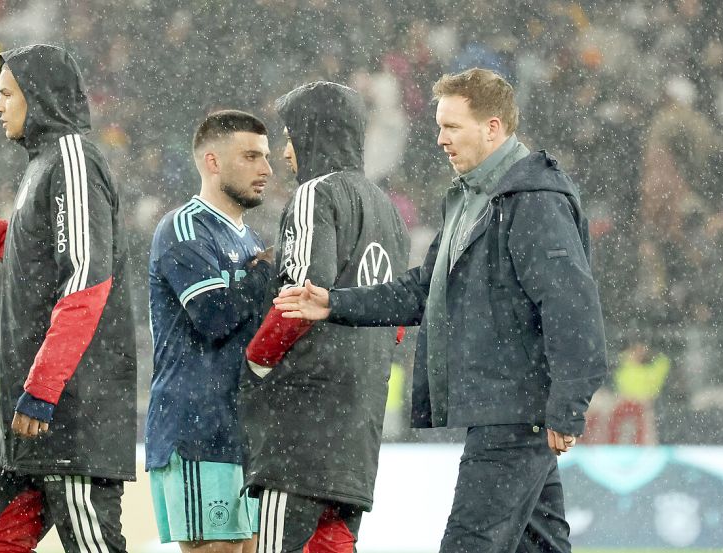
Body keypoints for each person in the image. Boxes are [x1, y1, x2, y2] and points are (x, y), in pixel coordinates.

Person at [273, 68, 608, 553]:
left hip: (514, 411)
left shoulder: (531, 200)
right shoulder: (471, 199)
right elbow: (422, 291)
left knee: (468, 545)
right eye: (438, 125)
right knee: (540, 544)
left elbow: (572, 306)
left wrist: (568, 406)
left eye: (452, 126)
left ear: (493, 127)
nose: (439, 139)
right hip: (505, 408)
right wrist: (335, 303)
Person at [0, 44, 136, 553]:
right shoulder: (47, 162)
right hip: (32, 421)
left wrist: (44, 388)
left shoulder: (74, 158)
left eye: (6, 94)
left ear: (38, 97)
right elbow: (44, 251)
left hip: (67, 416)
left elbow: (84, 277)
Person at [239, 81, 410, 553]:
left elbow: (300, 296)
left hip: (304, 423)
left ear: (314, 133)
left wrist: (254, 365)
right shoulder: (389, 213)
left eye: (291, 135)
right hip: (359, 424)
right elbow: (393, 319)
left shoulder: (316, 193)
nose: (284, 150)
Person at [146, 110, 275, 552]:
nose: (266, 169)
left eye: (266, 157)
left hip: (242, 427)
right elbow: (214, 316)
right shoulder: (184, 228)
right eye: (252, 156)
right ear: (213, 162)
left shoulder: (252, 241)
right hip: (196, 428)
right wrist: (263, 277)